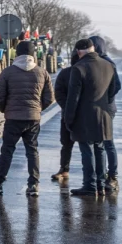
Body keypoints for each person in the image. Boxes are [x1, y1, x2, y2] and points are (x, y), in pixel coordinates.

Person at [0, 40, 52, 196]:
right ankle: (33, 185)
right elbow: (50, 98)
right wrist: (37, 110)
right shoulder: (42, 72)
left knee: (7, 150)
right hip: (33, 118)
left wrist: (6, 109)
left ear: (17, 54)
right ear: (33, 54)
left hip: (13, 117)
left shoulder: (8, 72)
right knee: (32, 151)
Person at [63, 39, 117, 198]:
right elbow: (112, 92)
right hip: (104, 115)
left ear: (79, 52)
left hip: (84, 115)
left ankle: (90, 185)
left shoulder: (79, 68)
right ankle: (100, 184)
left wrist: (69, 118)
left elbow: (73, 97)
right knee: (100, 149)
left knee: (87, 150)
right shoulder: (109, 65)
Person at [89, 35, 122, 191]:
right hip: (100, 107)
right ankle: (100, 176)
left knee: (107, 142)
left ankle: (112, 176)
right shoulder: (97, 61)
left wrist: (105, 99)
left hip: (106, 108)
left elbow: (116, 85)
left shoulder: (108, 63)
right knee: (98, 142)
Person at [50, 52, 78, 183]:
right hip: (68, 114)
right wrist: (67, 107)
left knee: (88, 145)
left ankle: (93, 173)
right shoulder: (66, 73)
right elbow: (58, 92)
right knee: (66, 143)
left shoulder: (88, 72)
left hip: (80, 114)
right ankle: (64, 169)